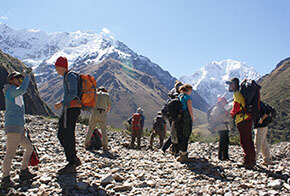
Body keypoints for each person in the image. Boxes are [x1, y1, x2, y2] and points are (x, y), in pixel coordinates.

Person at [1, 69, 36, 189]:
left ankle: (24, 170)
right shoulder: (10, 91)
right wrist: (27, 77)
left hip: (18, 127)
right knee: (10, 154)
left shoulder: (15, 93)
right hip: (13, 127)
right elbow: (22, 89)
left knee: (29, 147)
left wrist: (22, 126)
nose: (20, 80)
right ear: (11, 80)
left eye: (21, 78)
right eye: (18, 78)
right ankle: (5, 178)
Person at [54, 56, 82, 174]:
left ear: (62, 66)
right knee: (63, 133)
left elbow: (73, 93)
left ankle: (71, 162)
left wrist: (61, 103)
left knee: (66, 134)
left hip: (71, 108)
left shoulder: (70, 76)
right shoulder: (68, 76)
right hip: (70, 108)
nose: (56, 70)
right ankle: (73, 158)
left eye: (57, 67)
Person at [226, 78, 256, 168]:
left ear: (235, 84)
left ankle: (247, 161)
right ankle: (252, 159)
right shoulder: (240, 93)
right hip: (247, 118)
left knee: (244, 140)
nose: (229, 86)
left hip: (242, 119)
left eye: (231, 84)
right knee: (249, 139)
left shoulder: (237, 94)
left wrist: (230, 114)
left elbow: (236, 106)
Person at [85, 86, 112, 151]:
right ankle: (105, 146)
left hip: (94, 112)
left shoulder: (95, 94)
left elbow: (90, 103)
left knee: (90, 129)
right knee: (103, 130)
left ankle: (87, 144)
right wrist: (106, 112)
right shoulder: (106, 95)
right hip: (102, 112)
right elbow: (109, 105)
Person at [176, 84, 194, 162]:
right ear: (188, 89)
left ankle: (180, 154)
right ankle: (184, 155)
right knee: (186, 135)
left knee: (180, 135)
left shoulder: (179, 96)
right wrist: (192, 118)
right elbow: (190, 109)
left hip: (178, 119)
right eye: (191, 90)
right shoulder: (187, 97)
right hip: (186, 119)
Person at [254, 101, 273, 165]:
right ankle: (267, 160)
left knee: (257, 143)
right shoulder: (258, 103)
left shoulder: (258, 103)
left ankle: (254, 160)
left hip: (261, 126)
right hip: (263, 126)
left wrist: (261, 119)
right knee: (263, 143)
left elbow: (267, 112)